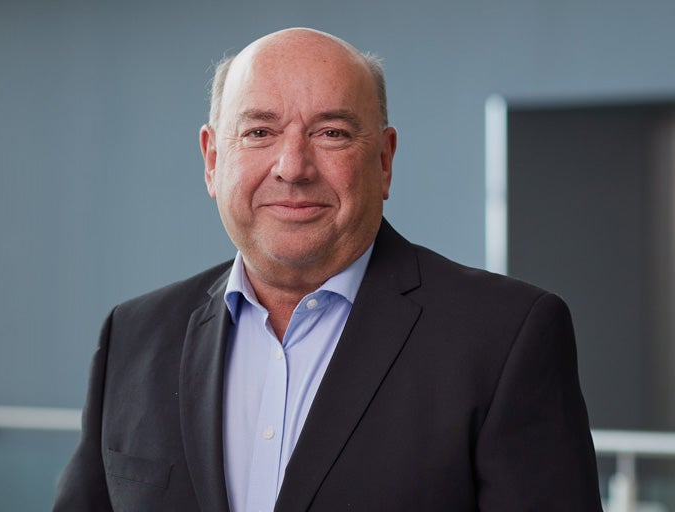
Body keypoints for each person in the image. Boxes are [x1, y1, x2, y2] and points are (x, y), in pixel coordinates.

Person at [53, 28, 601, 511]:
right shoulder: (134, 336)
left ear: (384, 160)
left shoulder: (507, 336)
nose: (293, 167)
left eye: (332, 132)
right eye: (259, 132)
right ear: (212, 160)